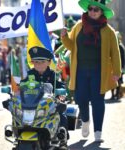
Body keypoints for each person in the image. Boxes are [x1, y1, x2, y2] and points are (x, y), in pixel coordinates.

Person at [60, 0, 121, 142]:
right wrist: (64, 36)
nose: (93, 11)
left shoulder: (108, 31)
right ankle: (85, 121)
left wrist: (117, 72)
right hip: (80, 70)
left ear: (101, 12)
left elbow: (115, 52)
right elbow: (71, 46)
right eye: (90, 9)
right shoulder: (78, 26)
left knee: (97, 100)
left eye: (96, 10)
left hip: (99, 71)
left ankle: (98, 131)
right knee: (80, 98)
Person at [21, 46, 69, 149]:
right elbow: (22, 87)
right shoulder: (29, 74)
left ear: (49, 62)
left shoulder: (53, 75)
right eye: (36, 62)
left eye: (42, 62)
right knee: (19, 114)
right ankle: (18, 137)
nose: (39, 65)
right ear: (32, 62)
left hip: (49, 104)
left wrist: (61, 94)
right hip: (32, 104)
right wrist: (15, 94)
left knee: (61, 113)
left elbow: (61, 85)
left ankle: (62, 139)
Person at [111, 31, 125, 100]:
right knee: (112, 81)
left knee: (118, 81)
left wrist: (122, 68)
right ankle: (113, 95)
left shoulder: (121, 47)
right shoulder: (112, 46)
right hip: (112, 67)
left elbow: (123, 58)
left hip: (119, 67)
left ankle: (117, 94)